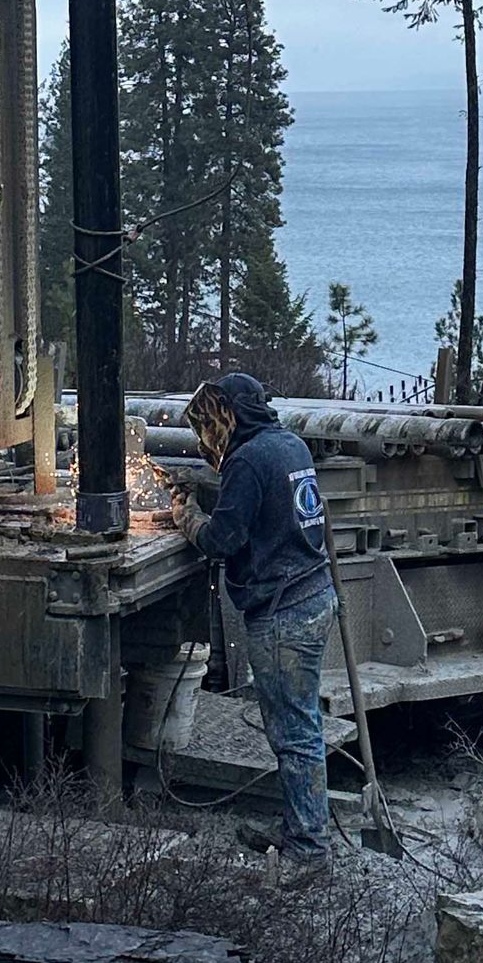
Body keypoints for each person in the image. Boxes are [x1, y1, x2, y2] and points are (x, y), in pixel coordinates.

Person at [174, 371, 338, 887]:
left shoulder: (246, 460)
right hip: (313, 595)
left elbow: (223, 539)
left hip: (283, 611)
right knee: (299, 727)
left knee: (294, 735)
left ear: (226, 416)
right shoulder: (289, 444)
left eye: (208, 426)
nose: (206, 439)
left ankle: (309, 851)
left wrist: (186, 517)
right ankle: (298, 827)